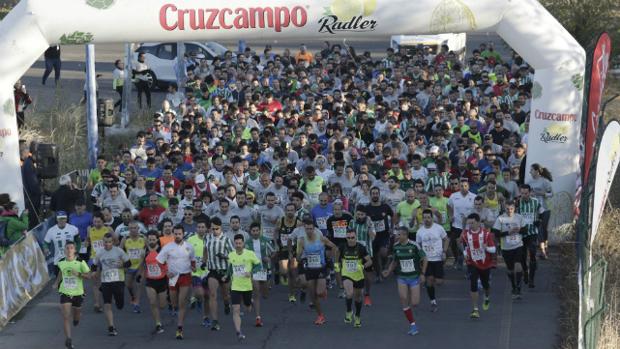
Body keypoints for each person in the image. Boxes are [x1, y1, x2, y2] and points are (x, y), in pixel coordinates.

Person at [382, 226, 427, 335]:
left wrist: (422, 273)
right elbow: (395, 261)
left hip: (414, 277)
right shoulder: (396, 246)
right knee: (403, 298)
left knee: (415, 302)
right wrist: (388, 270)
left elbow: (424, 259)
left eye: (399, 235)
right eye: (397, 234)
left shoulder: (414, 245)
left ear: (405, 235)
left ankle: (412, 312)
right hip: (401, 277)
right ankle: (412, 325)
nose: (397, 236)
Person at [296, 215, 339, 325]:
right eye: (307, 229)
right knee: (313, 295)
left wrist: (331, 258)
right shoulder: (301, 240)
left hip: (320, 268)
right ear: (304, 229)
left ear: (314, 228)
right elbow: (298, 256)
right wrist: (299, 257)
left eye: (311, 229)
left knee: (319, 292)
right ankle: (320, 316)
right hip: (309, 268)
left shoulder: (321, 238)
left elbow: (334, 247)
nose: (309, 231)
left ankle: (324, 290)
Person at [156, 225, 196, 339]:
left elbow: (192, 259)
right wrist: (166, 272)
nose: (178, 236)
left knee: (181, 302)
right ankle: (174, 307)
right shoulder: (168, 247)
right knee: (174, 303)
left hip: (185, 276)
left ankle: (179, 328)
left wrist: (193, 267)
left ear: (183, 234)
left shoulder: (189, 246)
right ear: (173, 234)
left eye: (179, 234)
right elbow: (159, 261)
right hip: (173, 277)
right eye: (176, 234)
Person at [53, 241, 91, 349]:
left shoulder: (80, 262)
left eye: (71, 248)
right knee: (65, 316)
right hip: (65, 291)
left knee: (76, 315)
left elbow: (89, 276)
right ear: (64, 250)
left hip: (78, 293)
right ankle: (68, 339)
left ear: (74, 250)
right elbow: (61, 272)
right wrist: (56, 283)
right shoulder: (61, 262)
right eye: (67, 248)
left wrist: (78, 274)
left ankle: (77, 319)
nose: (69, 250)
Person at [92, 232, 130, 336]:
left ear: (112, 242)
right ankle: (111, 327)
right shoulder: (100, 252)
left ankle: (119, 302)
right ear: (102, 242)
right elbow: (94, 265)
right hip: (106, 282)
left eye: (109, 242)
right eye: (105, 242)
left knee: (120, 304)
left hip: (118, 280)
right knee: (107, 304)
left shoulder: (118, 251)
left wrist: (122, 264)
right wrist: (94, 272)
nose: (107, 244)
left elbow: (128, 263)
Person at [460, 213, 496, 319]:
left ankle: (487, 296)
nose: (470, 225)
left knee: (485, 285)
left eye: (472, 223)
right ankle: (475, 309)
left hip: (485, 264)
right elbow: (464, 246)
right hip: (472, 263)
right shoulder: (465, 235)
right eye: (469, 223)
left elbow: (493, 249)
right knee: (473, 283)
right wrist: (465, 255)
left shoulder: (486, 234)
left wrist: (486, 248)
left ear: (478, 222)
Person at [228, 233, 262, 341]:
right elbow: (230, 269)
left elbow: (258, 265)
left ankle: (249, 302)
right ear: (234, 244)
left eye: (240, 243)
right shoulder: (231, 255)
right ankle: (238, 331)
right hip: (235, 286)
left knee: (248, 308)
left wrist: (251, 273)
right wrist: (225, 276)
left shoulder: (250, 254)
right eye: (236, 243)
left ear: (243, 243)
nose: (238, 245)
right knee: (236, 309)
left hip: (247, 286)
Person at [203, 217, 234, 331]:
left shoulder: (226, 239)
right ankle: (215, 321)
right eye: (212, 229)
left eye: (217, 228)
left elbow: (234, 256)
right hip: (213, 271)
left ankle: (226, 304)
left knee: (225, 295)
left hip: (224, 271)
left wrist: (224, 256)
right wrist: (204, 261)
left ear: (221, 228)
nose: (214, 231)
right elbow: (205, 250)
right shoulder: (207, 237)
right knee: (212, 294)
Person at [337, 229, 372, 328]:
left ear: (356, 237)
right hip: (346, 274)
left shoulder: (361, 248)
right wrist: (336, 265)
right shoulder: (342, 247)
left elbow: (370, 261)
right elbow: (336, 254)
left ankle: (357, 316)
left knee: (358, 297)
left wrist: (362, 266)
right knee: (349, 293)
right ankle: (349, 311)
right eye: (348, 238)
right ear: (346, 238)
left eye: (352, 237)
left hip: (358, 275)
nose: (350, 240)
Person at [492, 200, 527, 299]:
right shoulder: (500, 219)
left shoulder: (519, 217)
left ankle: (518, 287)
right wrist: (508, 232)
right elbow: (496, 233)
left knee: (518, 265)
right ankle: (513, 285)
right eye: (507, 209)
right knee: (510, 269)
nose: (509, 211)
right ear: (504, 208)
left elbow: (525, 230)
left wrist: (519, 230)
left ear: (514, 208)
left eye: (511, 209)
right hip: (506, 247)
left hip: (518, 245)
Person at [415, 209, 448, 312]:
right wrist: (420, 257)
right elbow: (418, 245)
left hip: (438, 258)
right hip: (427, 260)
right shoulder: (420, 231)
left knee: (439, 282)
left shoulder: (439, 228)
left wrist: (444, 251)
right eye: (424, 218)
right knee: (429, 281)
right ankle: (433, 301)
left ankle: (436, 277)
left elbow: (446, 239)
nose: (427, 220)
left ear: (432, 217)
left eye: (428, 217)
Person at [245, 222, 276, 327]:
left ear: (260, 231)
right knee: (256, 291)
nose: (255, 233)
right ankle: (258, 317)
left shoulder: (265, 241)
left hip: (264, 270)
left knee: (265, 294)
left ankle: (253, 298)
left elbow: (274, 252)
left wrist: (269, 258)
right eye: (253, 231)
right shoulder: (247, 243)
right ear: (250, 231)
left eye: (257, 230)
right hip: (254, 271)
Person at [516, 184, 544, 288]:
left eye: (526, 193)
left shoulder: (535, 202)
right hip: (521, 233)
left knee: (532, 252)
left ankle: (531, 279)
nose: (524, 195)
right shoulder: (518, 202)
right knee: (522, 256)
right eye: (522, 193)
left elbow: (543, 212)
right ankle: (525, 272)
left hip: (532, 232)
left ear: (530, 192)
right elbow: (513, 215)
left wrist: (539, 220)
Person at [86, 212, 114, 312]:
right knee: (95, 282)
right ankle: (97, 303)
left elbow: (115, 241)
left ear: (103, 221)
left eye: (99, 222)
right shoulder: (90, 229)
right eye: (95, 222)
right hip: (94, 258)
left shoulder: (108, 229)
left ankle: (107, 301)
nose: (96, 223)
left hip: (106, 258)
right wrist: (86, 244)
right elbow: (88, 241)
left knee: (106, 282)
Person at [447, 178, 476, 269]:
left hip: (469, 226)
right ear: (459, 187)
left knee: (468, 245)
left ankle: (468, 262)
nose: (463, 188)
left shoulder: (474, 196)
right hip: (457, 224)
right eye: (462, 186)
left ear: (468, 186)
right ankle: (458, 257)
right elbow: (448, 206)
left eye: (465, 186)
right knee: (455, 243)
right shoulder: (453, 196)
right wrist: (450, 216)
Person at [186, 220, 211, 326]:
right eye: (199, 227)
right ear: (196, 229)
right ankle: (196, 298)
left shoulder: (210, 239)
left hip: (207, 271)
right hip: (195, 271)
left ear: (206, 229)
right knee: (200, 293)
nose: (201, 229)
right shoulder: (190, 240)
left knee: (207, 296)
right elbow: (185, 254)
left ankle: (206, 317)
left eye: (203, 227)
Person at [143, 230, 168, 334]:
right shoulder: (145, 251)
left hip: (162, 280)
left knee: (162, 305)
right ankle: (158, 324)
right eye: (150, 239)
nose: (151, 241)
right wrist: (140, 275)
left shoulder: (162, 250)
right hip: (150, 281)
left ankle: (168, 301)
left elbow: (167, 263)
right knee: (153, 302)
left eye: (153, 239)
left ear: (157, 239)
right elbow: (142, 264)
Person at [526, 164, 553, 259]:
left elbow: (551, 194)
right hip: (535, 209)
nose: (530, 172)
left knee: (544, 229)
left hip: (545, 208)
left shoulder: (544, 181)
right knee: (540, 228)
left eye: (532, 170)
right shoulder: (529, 182)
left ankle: (545, 247)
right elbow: (525, 193)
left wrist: (542, 193)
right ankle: (543, 251)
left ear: (537, 171)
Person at [43, 211, 80, 276]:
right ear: (57, 219)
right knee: (59, 282)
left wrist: (77, 252)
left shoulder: (73, 229)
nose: (62, 220)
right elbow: (46, 242)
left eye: (63, 218)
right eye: (60, 218)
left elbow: (78, 242)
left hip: (71, 260)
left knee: (71, 282)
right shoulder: (51, 230)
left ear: (66, 219)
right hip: (58, 260)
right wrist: (46, 248)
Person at [120, 221, 146, 313]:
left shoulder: (143, 238)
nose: (133, 230)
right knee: (128, 285)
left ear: (138, 229)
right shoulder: (125, 239)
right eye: (131, 228)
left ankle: (136, 303)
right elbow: (120, 252)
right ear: (129, 229)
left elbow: (148, 251)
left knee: (139, 284)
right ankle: (133, 296)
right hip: (129, 266)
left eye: (135, 228)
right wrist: (123, 265)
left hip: (140, 266)